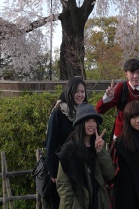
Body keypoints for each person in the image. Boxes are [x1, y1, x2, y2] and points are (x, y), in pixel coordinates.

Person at [56, 103, 116, 209]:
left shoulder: (97, 146)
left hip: (98, 203)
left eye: (94, 121)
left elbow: (110, 174)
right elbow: (63, 185)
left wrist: (100, 152)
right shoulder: (69, 149)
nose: (92, 124)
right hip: (77, 204)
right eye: (87, 121)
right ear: (80, 124)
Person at [45, 77, 88, 209]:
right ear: (69, 92)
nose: (80, 95)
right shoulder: (59, 112)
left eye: (83, 91)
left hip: (81, 165)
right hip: (61, 167)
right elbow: (51, 142)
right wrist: (52, 171)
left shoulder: (84, 112)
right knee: (63, 202)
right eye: (77, 91)